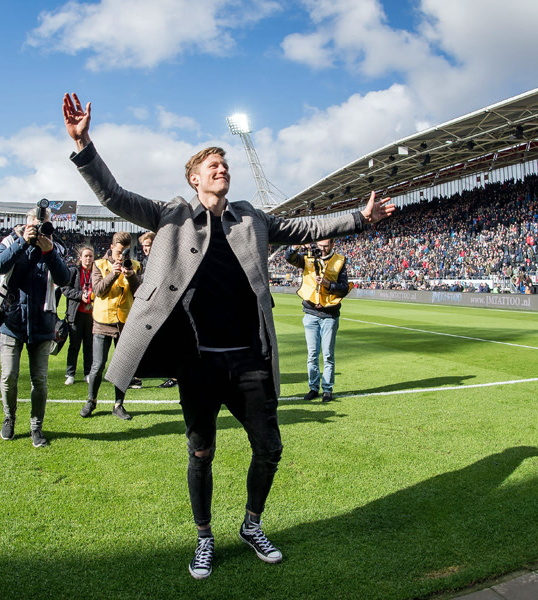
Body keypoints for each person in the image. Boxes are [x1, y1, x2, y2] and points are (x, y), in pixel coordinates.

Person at [63, 92, 395, 579]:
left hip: (249, 359)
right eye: (212, 165)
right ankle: (203, 537)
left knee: (271, 447)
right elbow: (114, 196)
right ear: (194, 178)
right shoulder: (170, 214)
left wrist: (361, 219)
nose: (222, 169)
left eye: (224, 164)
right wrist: (84, 144)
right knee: (202, 452)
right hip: (197, 362)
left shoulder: (252, 218)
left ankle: (251, 524)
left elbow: (305, 227)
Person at [0, 207, 70, 447]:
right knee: (8, 376)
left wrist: (49, 253)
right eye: (36, 222)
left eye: (44, 223)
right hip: (12, 320)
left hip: (42, 322)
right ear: (27, 223)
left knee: (40, 380)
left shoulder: (55, 247)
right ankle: (9, 417)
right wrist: (22, 243)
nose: (40, 226)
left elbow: (65, 279)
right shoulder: (10, 241)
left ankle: (37, 426)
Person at [80, 231, 141, 420]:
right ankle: (92, 400)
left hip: (125, 323)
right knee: (97, 365)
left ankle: (118, 404)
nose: (121, 256)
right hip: (102, 321)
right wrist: (114, 274)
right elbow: (97, 291)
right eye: (119, 251)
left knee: (123, 366)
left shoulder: (135, 266)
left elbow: (140, 291)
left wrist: (130, 275)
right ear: (112, 246)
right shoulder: (99, 264)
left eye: (125, 252)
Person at [285, 239, 352, 402]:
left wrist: (329, 284)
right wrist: (295, 246)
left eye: (326, 246)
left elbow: (344, 288)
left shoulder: (340, 261)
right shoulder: (307, 257)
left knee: (328, 355)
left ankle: (327, 390)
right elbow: (289, 257)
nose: (322, 249)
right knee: (312, 354)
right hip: (310, 312)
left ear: (332, 244)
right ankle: (313, 388)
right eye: (320, 245)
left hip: (330, 314)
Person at [139, 230, 177, 390]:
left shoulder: (163, 259)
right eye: (143, 246)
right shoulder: (149, 261)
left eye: (147, 245)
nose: (145, 249)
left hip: (167, 306)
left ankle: (174, 376)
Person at [62, 245, 95, 385]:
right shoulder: (73, 272)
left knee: (89, 346)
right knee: (74, 345)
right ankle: (70, 374)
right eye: (85, 256)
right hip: (76, 314)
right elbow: (65, 289)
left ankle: (87, 373)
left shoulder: (97, 272)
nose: (88, 258)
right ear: (80, 258)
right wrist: (81, 295)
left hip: (92, 315)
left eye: (90, 256)